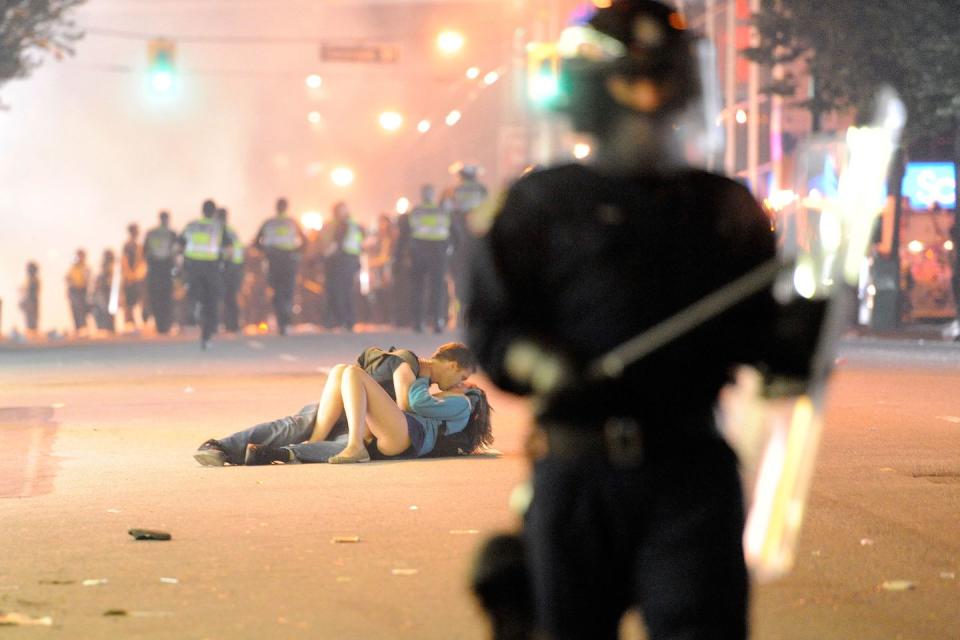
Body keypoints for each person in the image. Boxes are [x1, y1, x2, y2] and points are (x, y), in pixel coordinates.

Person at [466, 2, 781, 638]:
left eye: (659, 78)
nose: (647, 98)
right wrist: (543, 363)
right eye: (631, 80)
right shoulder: (539, 204)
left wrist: (796, 337)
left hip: (690, 470)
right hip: (578, 473)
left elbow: (760, 338)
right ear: (594, 91)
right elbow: (495, 332)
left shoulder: (724, 208)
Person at [192, 342, 478, 465]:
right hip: (358, 413)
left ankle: (242, 451)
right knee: (302, 422)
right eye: (461, 377)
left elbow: (406, 409)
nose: (458, 384)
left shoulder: (442, 392)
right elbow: (406, 404)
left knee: (304, 428)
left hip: (365, 420)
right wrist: (420, 379)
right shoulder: (410, 364)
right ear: (452, 365)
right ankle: (225, 448)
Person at [181, 199, 229, 350]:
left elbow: (178, 244)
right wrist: (224, 264)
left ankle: (194, 309)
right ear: (214, 212)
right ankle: (207, 334)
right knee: (212, 301)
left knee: (194, 295)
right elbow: (228, 249)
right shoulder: (218, 227)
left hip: (193, 266)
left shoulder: (192, 225)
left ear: (202, 210)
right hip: (211, 267)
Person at [255, 197, 307, 336]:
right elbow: (305, 241)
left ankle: (281, 322)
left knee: (277, 291)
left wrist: (266, 251)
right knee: (288, 290)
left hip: (274, 259)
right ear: (286, 207)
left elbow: (256, 242)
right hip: (289, 259)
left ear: (276, 207)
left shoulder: (269, 223)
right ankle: (287, 321)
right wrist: (297, 252)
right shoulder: (292, 222)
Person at [445, 164, 489, 325]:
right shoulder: (482, 190)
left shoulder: (453, 191)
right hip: (477, 242)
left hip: (458, 242)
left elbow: (447, 215)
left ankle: (459, 315)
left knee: (457, 279)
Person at [409, 184, 451, 333]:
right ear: (433, 195)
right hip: (438, 252)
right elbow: (454, 232)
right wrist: (450, 248)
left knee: (418, 288)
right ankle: (437, 320)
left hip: (419, 252)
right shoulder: (442, 211)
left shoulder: (416, 211)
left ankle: (418, 322)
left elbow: (407, 233)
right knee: (437, 288)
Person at [324, 201, 364, 332]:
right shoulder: (354, 224)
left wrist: (326, 255)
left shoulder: (343, 225)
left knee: (339, 290)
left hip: (342, 260)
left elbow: (337, 243)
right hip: (352, 259)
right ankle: (349, 320)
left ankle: (342, 319)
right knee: (348, 290)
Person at [144, 211, 179, 335]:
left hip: (154, 269)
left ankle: (159, 325)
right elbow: (175, 253)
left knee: (156, 298)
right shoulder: (172, 233)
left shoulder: (151, 233)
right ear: (167, 219)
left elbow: (145, 252)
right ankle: (166, 325)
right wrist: (176, 270)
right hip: (166, 270)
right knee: (167, 298)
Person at [218, 207, 245, 333]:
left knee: (223, 297)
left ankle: (227, 324)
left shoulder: (220, 231)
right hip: (236, 267)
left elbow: (227, 250)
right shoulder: (232, 230)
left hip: (227, 267)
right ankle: (232, 324)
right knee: (231, 297)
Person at [120, 223, 147, 332]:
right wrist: (129, 274)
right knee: (130, 301)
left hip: (138, 277)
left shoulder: (139, 246)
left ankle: (140, 322)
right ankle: (130, 323)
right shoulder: (128, 245)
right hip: (130, 277)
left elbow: (141, 261)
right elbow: (125, 260)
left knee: (139, 299)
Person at [66, 249, 91, 337]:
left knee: (81, 310)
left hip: (81, 291)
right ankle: (77, 328)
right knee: (74, 310)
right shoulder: (72, 268)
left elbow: (87, 280)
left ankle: (83, 328)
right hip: (73, 291)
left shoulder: (85, 267)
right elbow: (68, 278)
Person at [91, 249, 116, 334]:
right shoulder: (106, 267)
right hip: (104, 292)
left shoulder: (112, 267)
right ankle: (108, 329)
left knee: (108, 314)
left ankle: (109, 329)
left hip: (107, 292)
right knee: (105, 313)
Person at [20, 261, 41, 338]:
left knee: (32, 318)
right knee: (29, 318)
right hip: (29, 301)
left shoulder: (34, 280)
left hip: (32, 301)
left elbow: (31, 292)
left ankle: (33, 332)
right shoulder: (29, 279)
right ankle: (31, 332)